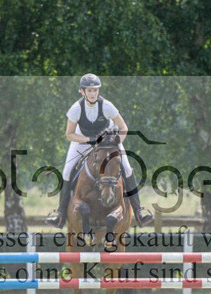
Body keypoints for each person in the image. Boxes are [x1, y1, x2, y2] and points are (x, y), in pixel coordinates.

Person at [45, 73, 154, 228]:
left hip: (108, 141)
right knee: (67, 170)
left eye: (95, 90)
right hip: (82, 140)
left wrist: (115, 144)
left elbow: (123, 128)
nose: (93, 93)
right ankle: (60, 215)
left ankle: (139, 212)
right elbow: (69, 134)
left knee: (128, 169)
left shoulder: (107, 106)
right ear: (82, 92)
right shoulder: (75, 109)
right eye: (89, 90)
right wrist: (89, 140)